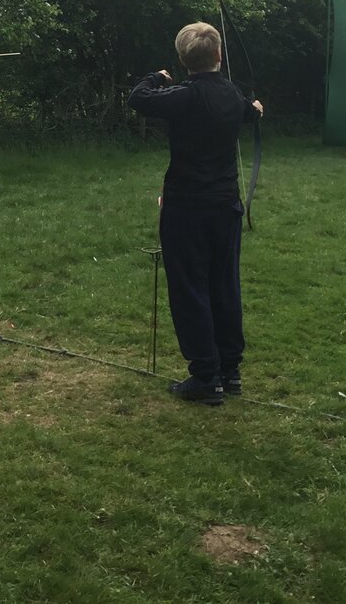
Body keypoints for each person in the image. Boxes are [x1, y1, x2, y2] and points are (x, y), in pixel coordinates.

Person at [128, 21, 263, 405]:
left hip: (187, 208)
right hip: (225, 208)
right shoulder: (231, 94)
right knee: (224, 285)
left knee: (190, 288)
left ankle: (207, 376)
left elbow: (138, 97)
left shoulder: (184, 95)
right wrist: (256, 110)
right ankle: (229, 370)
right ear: (219, 54)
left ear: (184, 60)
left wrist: (157, 76)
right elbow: (248, 112)